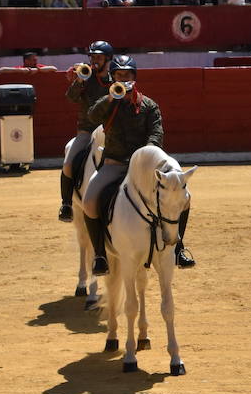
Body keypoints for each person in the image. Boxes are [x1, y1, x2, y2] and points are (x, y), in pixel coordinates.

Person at [81, 54, 195, 273]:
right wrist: (110, 99)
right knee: (89, 202)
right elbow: (92, 117)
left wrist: (144, 159)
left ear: (135, 77)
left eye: (127, 74)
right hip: (114, 164)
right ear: (112, 77)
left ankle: (178, 247)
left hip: (144, 169)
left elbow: (156, 136)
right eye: (118, 75)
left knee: (185, 199)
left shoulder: (149, 106)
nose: (123, 79)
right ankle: (100, 256)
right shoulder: (108, 103)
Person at [57, 39, 113, 222]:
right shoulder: (85, 77)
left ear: (108, 59)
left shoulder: (116, 78)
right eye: (92, 57)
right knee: (68, 163)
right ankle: (66, 204)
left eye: (99, 57)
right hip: (87, 131)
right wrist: (79, 80)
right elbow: (71, 98)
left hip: (111, 131)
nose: (94, 61)